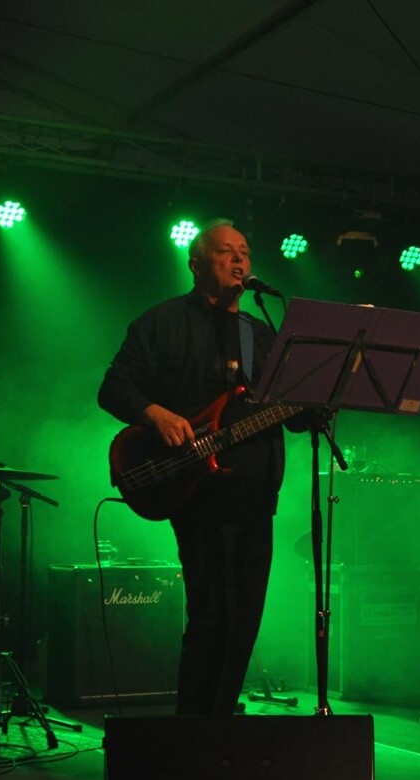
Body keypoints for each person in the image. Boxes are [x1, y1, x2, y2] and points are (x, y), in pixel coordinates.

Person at [98, 219, 303, 715]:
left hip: (255, 492)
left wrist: (327, 397)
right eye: (225, 251)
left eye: (245, 252)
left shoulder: (260, 333)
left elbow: (296, 417)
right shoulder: (163, 322)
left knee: (245, 618)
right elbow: (113, 388)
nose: (239, 260)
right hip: (195, 488)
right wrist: (155, 414)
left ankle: (220, 721)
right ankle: (194, 727)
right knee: (211, 613)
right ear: (196, 264)